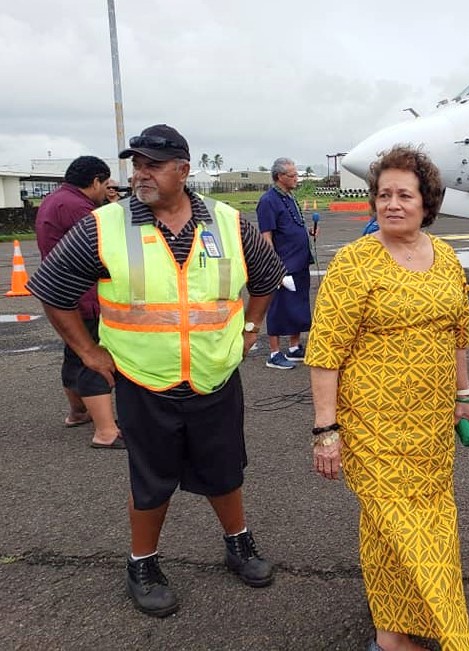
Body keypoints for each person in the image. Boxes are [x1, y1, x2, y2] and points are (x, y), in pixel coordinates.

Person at [26, 124, 287, 618]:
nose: (139, 174)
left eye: (152, 165)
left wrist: (252, 326)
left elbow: (268, 276)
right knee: (151, 480)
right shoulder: (103, 225)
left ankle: (239, 543)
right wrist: (88, 353)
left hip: (215, 373)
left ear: (183, 171)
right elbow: (53, 289)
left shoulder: (230, 223)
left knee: (225, 470)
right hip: (144, 381)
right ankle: (142, 563)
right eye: (136, 164)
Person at [306, 145, 469, 651]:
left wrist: (462, 396)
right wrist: (325, 430)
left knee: (398, 531)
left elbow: (457, 335)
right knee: (407, 531)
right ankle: (454, 637)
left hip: (430, 429)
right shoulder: (354, 263)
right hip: (373, 427)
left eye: (405, 194)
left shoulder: (445, 258)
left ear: (428, 202)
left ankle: (392, 636)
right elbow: (325, 352)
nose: (392, 204)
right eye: (384, 195)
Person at [35, 155, 123, 449]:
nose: (107, 190)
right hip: (84, 295)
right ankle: (106, 431)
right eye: (106, 184)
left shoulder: (56, 200)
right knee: (95, 358)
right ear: (96, 180)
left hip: (65, 296)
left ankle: (78, 412)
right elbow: (109, 242)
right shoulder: (78, 207)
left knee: (75, 355)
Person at [256, 158, 316, 369]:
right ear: (279, 176)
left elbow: (292, 225)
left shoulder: (290, 197)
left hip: (300, 261)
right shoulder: (268, 201)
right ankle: (274, 353)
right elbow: (267, 236)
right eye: (292, 175)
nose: (296, 179)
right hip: (283, 264)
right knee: (279, 306)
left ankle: (293, 347)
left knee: (298, 304)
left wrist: (307, 232)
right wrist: (274, 266)